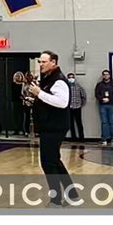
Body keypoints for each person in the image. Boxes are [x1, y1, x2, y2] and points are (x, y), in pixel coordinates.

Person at [25, 50, 73, 207]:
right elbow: (47, 100)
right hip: (48, 125)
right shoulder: (47, 79)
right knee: (54, 161)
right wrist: (34, 101)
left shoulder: (58, 80)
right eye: (39, 62)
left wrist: (39, 94)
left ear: (54, 63)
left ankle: (56, 200)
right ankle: (72, 195)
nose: (41, 64)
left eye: (44, 62)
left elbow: (62, 102)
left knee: (48, 163)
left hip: (54, 127)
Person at [94, 69, 113, 146]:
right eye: (104, 74)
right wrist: (102, 99)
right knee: (104, 122)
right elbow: (96, 94)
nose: (105, 76)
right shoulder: (99, 85)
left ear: (109, 75)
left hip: (111, 104)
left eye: (107, 74)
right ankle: (104, 139)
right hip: (102, 105)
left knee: (112, 122)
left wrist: (109, 99)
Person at [66, 71, 87, 142]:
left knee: (79, 123)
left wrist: (81, 104)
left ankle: (81, 137)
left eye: (72, 77)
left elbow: (83, 96)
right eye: (69, 77)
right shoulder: (66, 87)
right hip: (69, 107)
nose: (71, 79)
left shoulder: (78, 86)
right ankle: (73, 138)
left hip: (77, 107)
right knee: (71, 123)